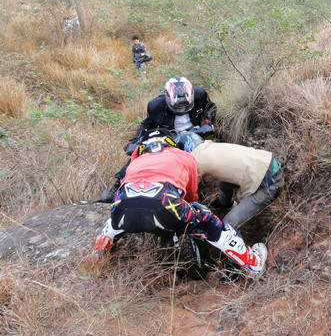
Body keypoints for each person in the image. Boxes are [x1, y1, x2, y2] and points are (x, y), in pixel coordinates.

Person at [93, 129, 267, 277]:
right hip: (165, 203)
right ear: (170, 142)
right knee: (210, 223)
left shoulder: (136, 160)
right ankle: (253, 264)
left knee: (114, 223)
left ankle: (96, 259)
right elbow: (191, 196)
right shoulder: (183, 156)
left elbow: (123, 187)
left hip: (124, 206)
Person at [178, 132, 284, 283]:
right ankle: (224, 202)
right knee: (221, 180)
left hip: (269, 185)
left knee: (229, 223)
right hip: (269, 165)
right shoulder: (209, 147)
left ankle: (235, 266)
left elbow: (190, 195)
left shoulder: (194, 162)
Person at [99, 76, 217, 202]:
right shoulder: (155, 106)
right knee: (143, 154)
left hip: (196, 133)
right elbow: (146, 126)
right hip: (171, 138)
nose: (181, 110)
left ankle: (213, 186)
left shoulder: (200, 95)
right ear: (167, 99)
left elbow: (210, 108)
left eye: (184, 106)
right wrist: (135, 141)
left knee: (205, 157)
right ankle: (117, 185)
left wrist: (207, 123)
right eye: (178, 107)